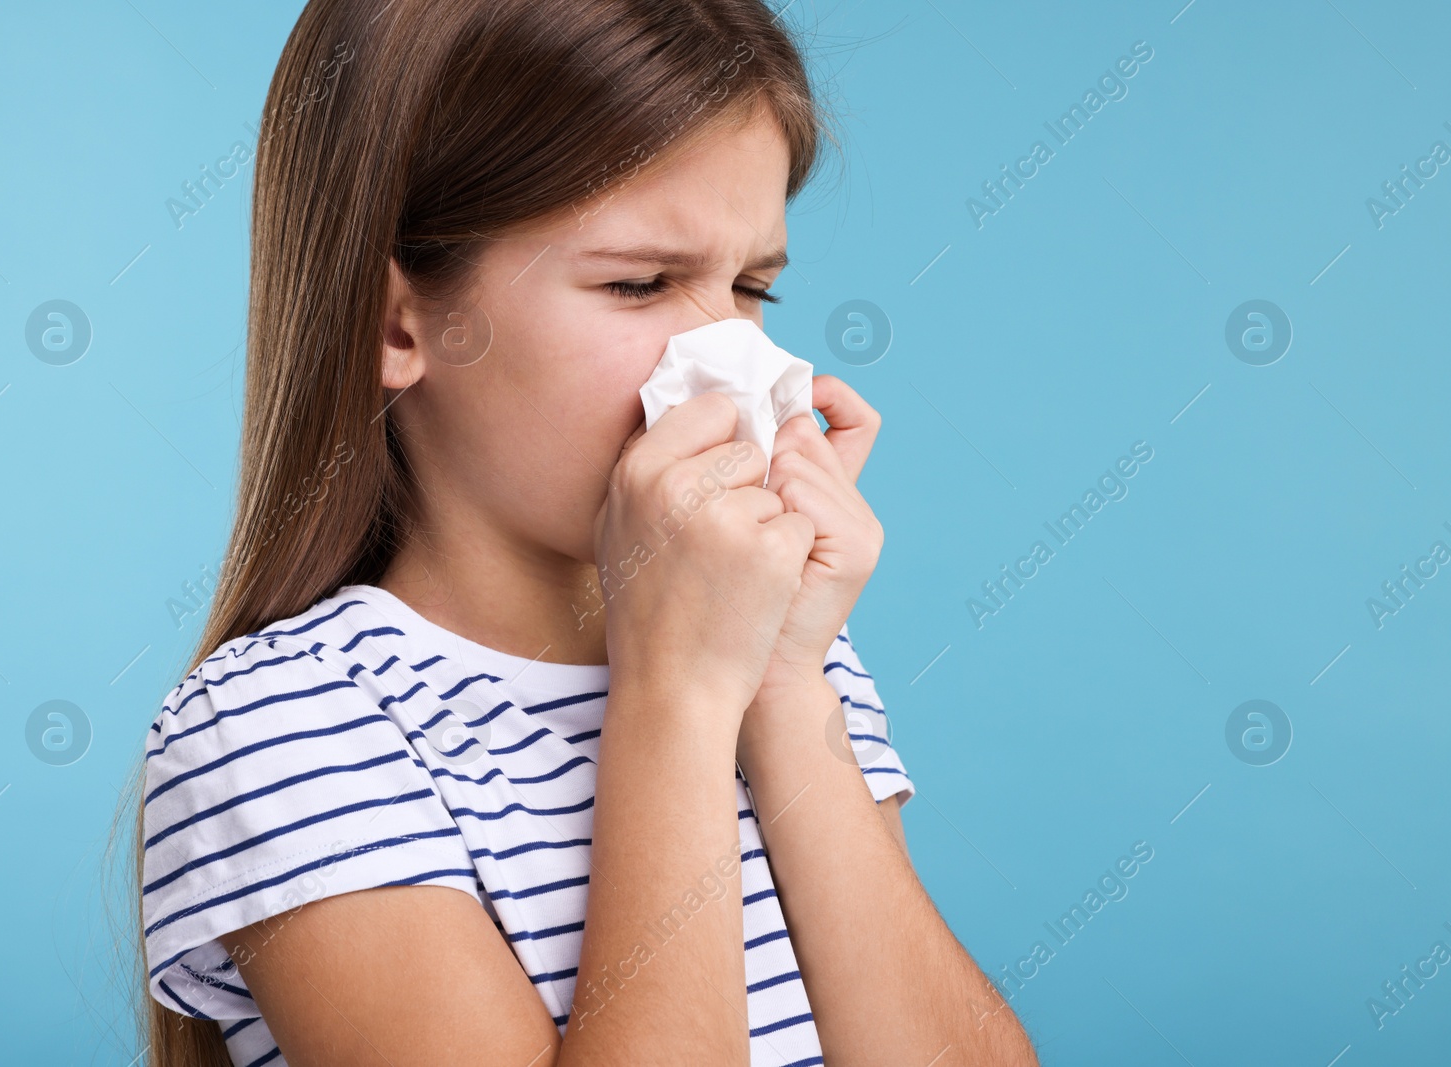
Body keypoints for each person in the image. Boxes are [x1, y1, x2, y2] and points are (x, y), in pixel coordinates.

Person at [123, 0, 1042, 1064]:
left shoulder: (784, 655)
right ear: (398, 323)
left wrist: (785, 683)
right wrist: (680, 698)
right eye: (638, 283)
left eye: (751, 289)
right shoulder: (283, 726)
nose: (740, 368)